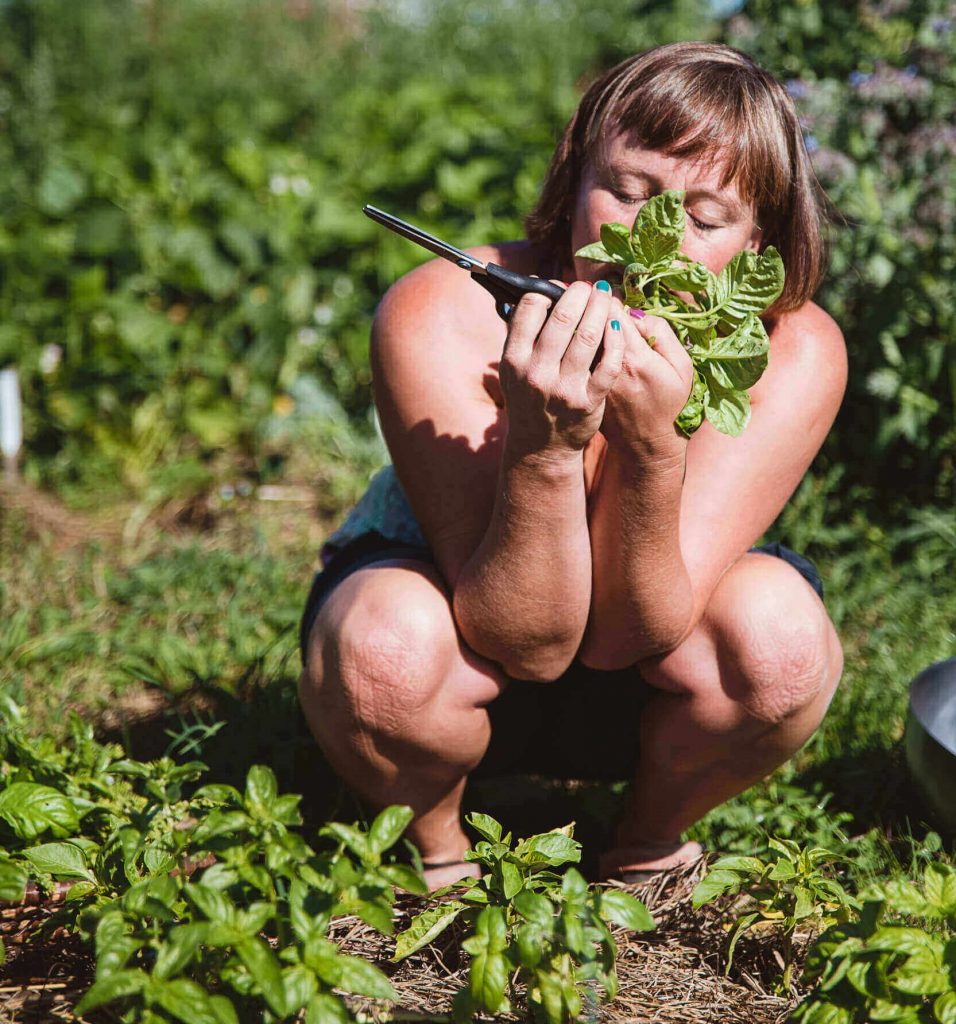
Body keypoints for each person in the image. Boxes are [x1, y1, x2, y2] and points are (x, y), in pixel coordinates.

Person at [298, 41, 847, 890]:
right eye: (625, 193)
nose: (650, 239)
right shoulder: (443, 309)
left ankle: (645, 842)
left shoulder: (788, 348)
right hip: (473, 639)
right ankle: (436, 850)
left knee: (780, 642)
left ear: (758, 240)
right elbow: (522, 642)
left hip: (645, 655)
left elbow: (631, 633)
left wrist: (653, 448)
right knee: (384, 648)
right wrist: (545, 446)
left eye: (704, 222)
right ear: (573, 180)